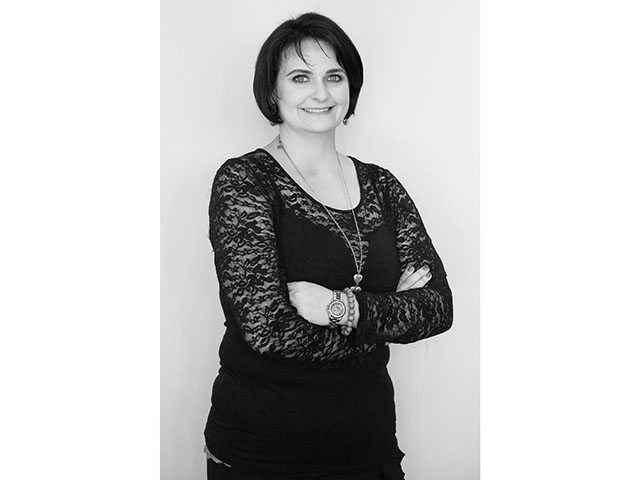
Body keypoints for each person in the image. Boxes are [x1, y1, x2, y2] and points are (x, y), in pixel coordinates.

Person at [204, 12, 453, 480]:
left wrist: (341, 308)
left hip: (368, 445)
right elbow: (268, 330)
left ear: (349, 88)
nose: (320, 93)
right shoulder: (244, 181)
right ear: (272, 91)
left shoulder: (382, 186)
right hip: (262, 453)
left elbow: (438, 307)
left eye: (333, 77)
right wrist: (387, 312)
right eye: (301, 77)